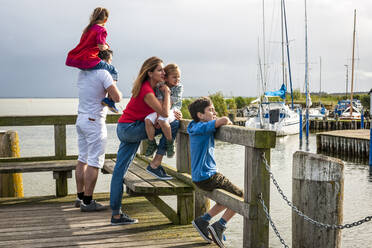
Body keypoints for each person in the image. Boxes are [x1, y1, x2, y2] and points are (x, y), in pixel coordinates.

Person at [110, 57, 182, 225]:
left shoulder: (149, 87)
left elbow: (161, 112)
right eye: (160, 70)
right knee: (175, 123)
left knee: (119, 172)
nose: (164, 73)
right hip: (130, 129)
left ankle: (116, 215)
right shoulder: (147, 91)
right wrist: (167, 94)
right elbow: (164, 115)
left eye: (164, 70)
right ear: (150, 73)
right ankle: (155, 164)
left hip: (126, 127)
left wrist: (171, 110)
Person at [187, 97, 243, 248]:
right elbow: (223, 120)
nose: (214, 112)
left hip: (199, 177)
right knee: (241, 196)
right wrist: (225, 120)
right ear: (200, 115)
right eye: (210, 110)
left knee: (226, 198)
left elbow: (217, 121)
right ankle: (219, 226)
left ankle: (203, 220)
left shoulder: (194, 126)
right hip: (208, 176)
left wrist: (217, 119)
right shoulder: (202, 127)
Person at [74, 62, 122, 212]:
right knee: (94, 161)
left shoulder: (82, 73)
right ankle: (88, 202)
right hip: (94, 120)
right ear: (105, 61)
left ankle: (80, 197)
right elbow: (117, 97)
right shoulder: (103, 73)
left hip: (81, 118)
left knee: (82, 158)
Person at [66, 7, 118, 81]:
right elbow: (101, 47)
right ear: (105, 20)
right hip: (89, 60)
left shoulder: (88, 29)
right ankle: (111, 91)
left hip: (79, 60)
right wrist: (106, 46)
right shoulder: (101, 30)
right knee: (113, 70)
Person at [144, 63, 183, 158]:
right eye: (174, 77)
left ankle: (170, 143)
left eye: (178, 77)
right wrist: (157, 115)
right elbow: (160, 100)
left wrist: (167, 91)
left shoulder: (179, 87)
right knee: (148, 120)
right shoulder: (159, 86)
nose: (177, 79)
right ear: (166, 78)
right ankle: (151, 143)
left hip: (173, 109)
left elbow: (172, 103)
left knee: (163, 120)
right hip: (161, 108)